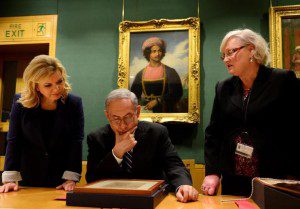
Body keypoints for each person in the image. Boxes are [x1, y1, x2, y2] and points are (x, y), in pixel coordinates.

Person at [202, 29, 300, 196]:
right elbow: (214, 133)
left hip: (276, 176)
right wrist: (212, 172)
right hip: (234, 176)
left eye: (231, 52)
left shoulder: (282, 80)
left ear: (252, 50)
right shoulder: (223, 87)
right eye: (223, 55)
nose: (226, 59)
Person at [86, 88, 198, 203]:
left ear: (138, 112)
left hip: (151, 200)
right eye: (116, 118)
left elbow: (174, 165)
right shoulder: (96, 138)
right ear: (107, 115)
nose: (123, 125)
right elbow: (92, 179)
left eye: (128, 117)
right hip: (112, 201)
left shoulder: (157, 132)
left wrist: (183, 185)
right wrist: (116, 153)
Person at [0, 55, 84, 193]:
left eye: (59, 81)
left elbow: (76, 141)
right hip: (29, 175)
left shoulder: (74, 103)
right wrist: (9, 179)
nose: (56, 88)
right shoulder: (20, 102)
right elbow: (14, 140)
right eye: (48, 85)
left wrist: (71, 178)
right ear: (36, 86)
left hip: (62, 179)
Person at [131, 37, 183, 113]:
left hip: (165, 110)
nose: (157, 54)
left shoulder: (170, 72)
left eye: (159, 51)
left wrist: (158, 101)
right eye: (154, 51)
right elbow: (134, 94)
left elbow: (177, 92)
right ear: (148, 53)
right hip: (146, 110)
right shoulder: (141, 74)